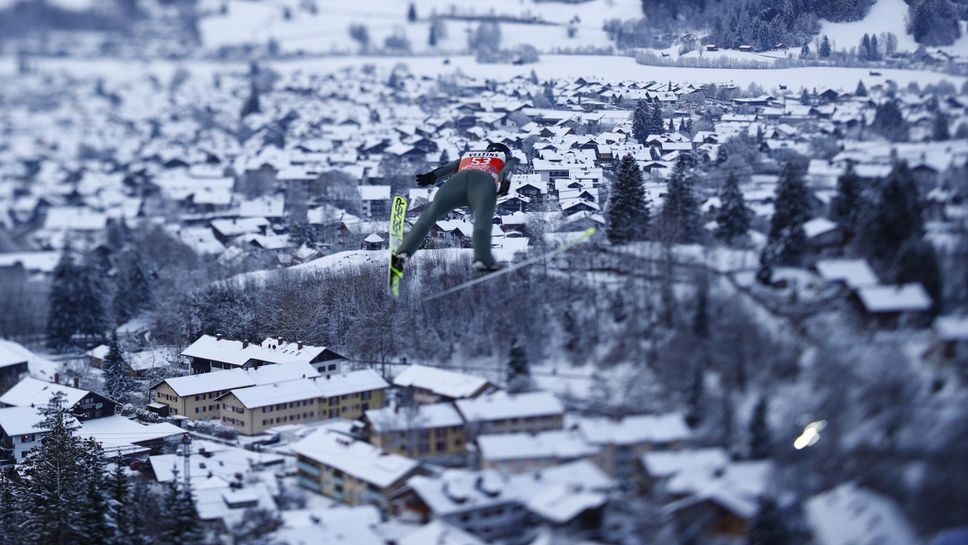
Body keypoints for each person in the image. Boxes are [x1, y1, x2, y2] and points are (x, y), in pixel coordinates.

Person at [392, 142, 516, 273]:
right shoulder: (504, 157)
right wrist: (505, 183)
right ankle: (482, 260)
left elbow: (446, 168)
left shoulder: (468, 155)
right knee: (482, 218)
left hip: (455, 182)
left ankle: (402, 253)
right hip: (483, 182)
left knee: (430, 214)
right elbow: (508, 170)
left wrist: (430, 176)